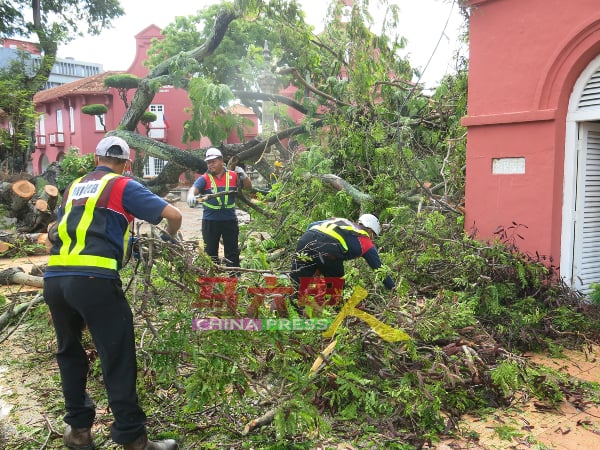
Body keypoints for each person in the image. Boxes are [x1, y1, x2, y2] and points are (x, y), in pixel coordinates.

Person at [43, 136, 181, 450]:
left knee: (69, 353)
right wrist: (166, 240)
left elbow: (56, 230)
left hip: (55, 278)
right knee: (117, 357)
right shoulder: (122, 185)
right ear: (126, 164)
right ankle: (133, 438)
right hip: (94, 279)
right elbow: (174, 215)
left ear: (96, 159)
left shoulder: (72, 186)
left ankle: (78, 431)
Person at [290, 214, 396, 296]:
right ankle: (335, 313)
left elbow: (311, 225)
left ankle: (288, 308)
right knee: (336, 287)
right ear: (369, 231)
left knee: (297, 281)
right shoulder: (366, 242)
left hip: (306, 239)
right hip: (328, 249)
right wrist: (392, 288)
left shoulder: (342, 222)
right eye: (373, 235)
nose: (372, 239)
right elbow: (380, 269)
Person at [186, 147, 252, 269]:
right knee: (210, 253)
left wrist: (244, 175)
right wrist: (191, 195)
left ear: (221, 161)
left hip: (229, 220)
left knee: (232, 252)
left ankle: (234, 278)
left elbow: (248, 187)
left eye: (213, 161)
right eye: (208, 162)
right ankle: (212, 281)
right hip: (210, 221)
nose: (210, 165)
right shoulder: (205, 178)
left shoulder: (233, 176)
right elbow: (194, 188)